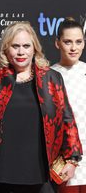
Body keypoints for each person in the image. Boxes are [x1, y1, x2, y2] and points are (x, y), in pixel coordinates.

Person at [0, 21, 82, 193]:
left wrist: (72, 159)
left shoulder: (51, 78)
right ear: (6, 48)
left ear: (34, 48)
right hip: (1, 173)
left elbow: (67, 119)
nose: (21, 52)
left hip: (41, 172)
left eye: (26, 46)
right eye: (15, 46)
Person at [51, 17, 86, 193]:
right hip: (64, 161)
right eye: (67, 42)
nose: (74, 48)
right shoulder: (49, 75)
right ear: (58, 43)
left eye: (78, 42)